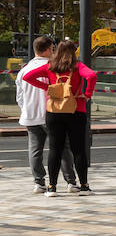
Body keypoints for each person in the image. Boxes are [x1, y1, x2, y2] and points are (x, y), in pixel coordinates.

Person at [21, 39, 97, 195]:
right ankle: (83, 186)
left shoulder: (50, 66)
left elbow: (27, 77)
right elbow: (92, 76)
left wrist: (48, 88)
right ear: (73, 52)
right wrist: (87, 94)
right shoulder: (77, 66)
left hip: (54, 112)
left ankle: (52, 187)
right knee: (78, 150)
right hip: (76, 110)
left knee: (55, 149)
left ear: (57, 51)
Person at [16, 37, 78, 194]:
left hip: (30, 115)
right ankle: (70, 181)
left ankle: (39, 182)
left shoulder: (24, 70)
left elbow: (20, 96)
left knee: (35, 150)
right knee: (62, 148)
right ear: (49, 49)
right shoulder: (53, 67)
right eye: (53, 48)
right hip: (52, 114)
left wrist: (26, 109)